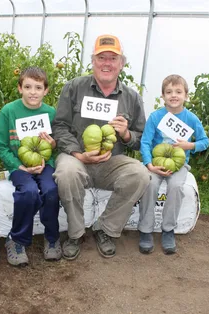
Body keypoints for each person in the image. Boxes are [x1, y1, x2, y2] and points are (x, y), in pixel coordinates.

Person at [52, 34, 150, 260]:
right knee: (66, 172)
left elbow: (140, 137)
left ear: (121, 64)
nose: (107, 63)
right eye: (101, 58)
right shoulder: (74, 87)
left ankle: (105, 229)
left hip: (111, 162)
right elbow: (60, 126)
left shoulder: (132, 97)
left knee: (139, 174)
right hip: (77, 157)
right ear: (93, 61)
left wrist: (126, 134)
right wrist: (78, 153)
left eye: (112, 59)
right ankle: (75, 233)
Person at [0, 67, 61, 267]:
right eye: (28, 87)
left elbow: (57, 144)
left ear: (46, 90)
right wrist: (18, 166)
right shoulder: (8, 111)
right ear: (19, 88)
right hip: (19, 165)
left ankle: (52, 237)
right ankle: (17, 240)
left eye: (38, 87)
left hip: (44, 163)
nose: (33, 92)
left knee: (51, 190)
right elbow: (0, 146)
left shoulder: (50, 113)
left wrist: (52, 147)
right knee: (29, 191)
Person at [138, 74, 209, 255]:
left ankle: (168, 229)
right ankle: (145, 230)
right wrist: (148, 164)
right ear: (162, 96)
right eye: (169, 92)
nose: (173, 95)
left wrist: (189, 146)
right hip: (155, 164)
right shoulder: (155, 117)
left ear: (186, 95)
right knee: (150, 184)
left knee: (176, 186)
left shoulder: (191, 118)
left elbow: (204, 141)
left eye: (178, 91)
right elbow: (145, 142)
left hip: (179, 165)